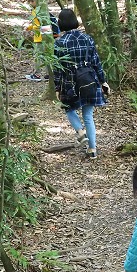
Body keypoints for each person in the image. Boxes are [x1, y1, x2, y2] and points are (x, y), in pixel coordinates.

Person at [53, 8, 109, 159]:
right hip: (90, 81)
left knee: (68, 109)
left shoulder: (60, 43)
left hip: (70, 84)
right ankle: (92, 150)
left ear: (61, 23)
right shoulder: (88, 39)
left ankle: (80, 131)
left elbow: (57, 69)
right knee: (88, 115)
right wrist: (103, 81)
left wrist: (57, 88)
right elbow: (96, 62)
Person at [23, 0, 59, 81]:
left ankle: (37, 75)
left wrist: (44, 35)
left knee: (38, 56)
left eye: (32, 1)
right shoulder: (36, 11)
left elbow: (44, 25)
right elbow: (37, 24)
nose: (31, 3)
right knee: (45, 56)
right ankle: (49, 74)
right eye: (29, 2)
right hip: (41, 37)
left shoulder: (40, 11)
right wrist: (29, 27)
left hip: (41, 38)